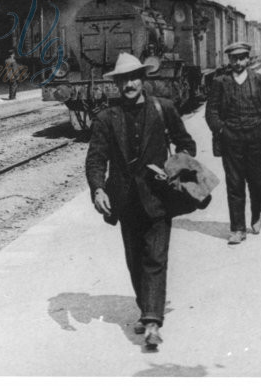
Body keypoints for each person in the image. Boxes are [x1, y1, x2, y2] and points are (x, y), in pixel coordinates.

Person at [85, 52, 197, 348]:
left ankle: (151, 323)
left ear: (142, 79)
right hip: (125, 201)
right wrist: (98, 189)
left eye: (134, 78)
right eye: (123, 80)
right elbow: (95, 159)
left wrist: (172, 169)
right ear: (117, 84)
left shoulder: (164, 109)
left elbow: (187, 145)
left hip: (159, 198)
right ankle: (146, 308)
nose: (129, 84)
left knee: (155, 258)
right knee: (135, 261)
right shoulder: (107, 118)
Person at [205, 41, 261, 245]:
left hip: (256, 139)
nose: (238, 62)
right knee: (234, 184)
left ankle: (256, 215)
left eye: (242, 58)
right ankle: (237, 228)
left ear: (248, 59)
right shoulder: (220, 82)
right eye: (234, 58)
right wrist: (221, 129)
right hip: (232, 140)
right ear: (229, 60)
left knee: (258, 183)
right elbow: (211, 111)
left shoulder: (260, 80)